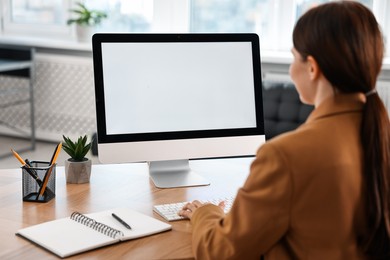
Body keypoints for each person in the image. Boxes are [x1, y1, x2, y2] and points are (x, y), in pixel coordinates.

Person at [178, 1, 390, 259]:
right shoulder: (380, 134)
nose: (291, 68)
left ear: (312, 68)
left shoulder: (286, 155)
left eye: (293, 56)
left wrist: (205, 212)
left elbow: (219, 252)